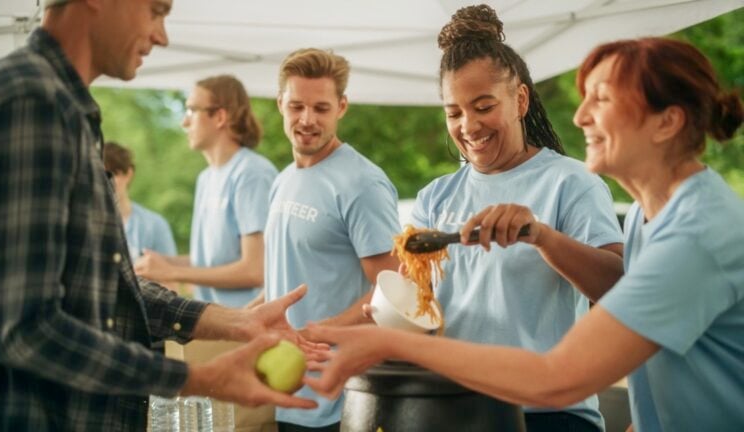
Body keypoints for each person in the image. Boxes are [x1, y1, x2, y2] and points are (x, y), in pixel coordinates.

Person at [304, 36, 744, 432]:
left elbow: (558, 378)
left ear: (667, 122)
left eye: (602, 99)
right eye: (453, 112)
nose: (580, 116)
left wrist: (388, 343)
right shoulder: (653, 220)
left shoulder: (696, 234)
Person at [0, 0, 316, 430]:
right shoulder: (33, 100)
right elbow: (27, 330)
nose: (162, 35)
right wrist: (195, 378)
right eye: (155, 10)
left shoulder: (65, 108)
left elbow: (109, 289)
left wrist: (235, 321)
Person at [354, 5, 624, 431]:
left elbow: (618, 288)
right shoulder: (435, 197)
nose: (468, 125)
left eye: (483, 106)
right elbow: (426, 314)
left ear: (519, 100)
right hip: (453, 408)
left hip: (547, 413)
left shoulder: (570, 182)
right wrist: (395, 320)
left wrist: (541, 237)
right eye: (454, 112)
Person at [263, 48, 401, 431]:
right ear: (280, 105)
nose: (307, 120)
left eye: (321, 108)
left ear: (342, 107)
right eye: (297, 107)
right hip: (288, 392)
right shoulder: (282, 180)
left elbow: (393, 291)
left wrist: (318, 333)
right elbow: (283, 277)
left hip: (342, 401)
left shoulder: (362, 184)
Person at [135, 74, 277, 308]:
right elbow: (211, 263)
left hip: (248, 323)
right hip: (215, 322)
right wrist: (162, 263)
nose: (184, 122)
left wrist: (172, 272)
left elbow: (255, 269)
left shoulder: (253, 173)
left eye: (191, 110)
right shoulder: (206, 178)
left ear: (220, 116)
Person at [103, 141, 178, 261]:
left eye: (112, 174)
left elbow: (170, 276)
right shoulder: (82, 224)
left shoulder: (154, 225)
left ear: (128, 173)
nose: (105, 182)